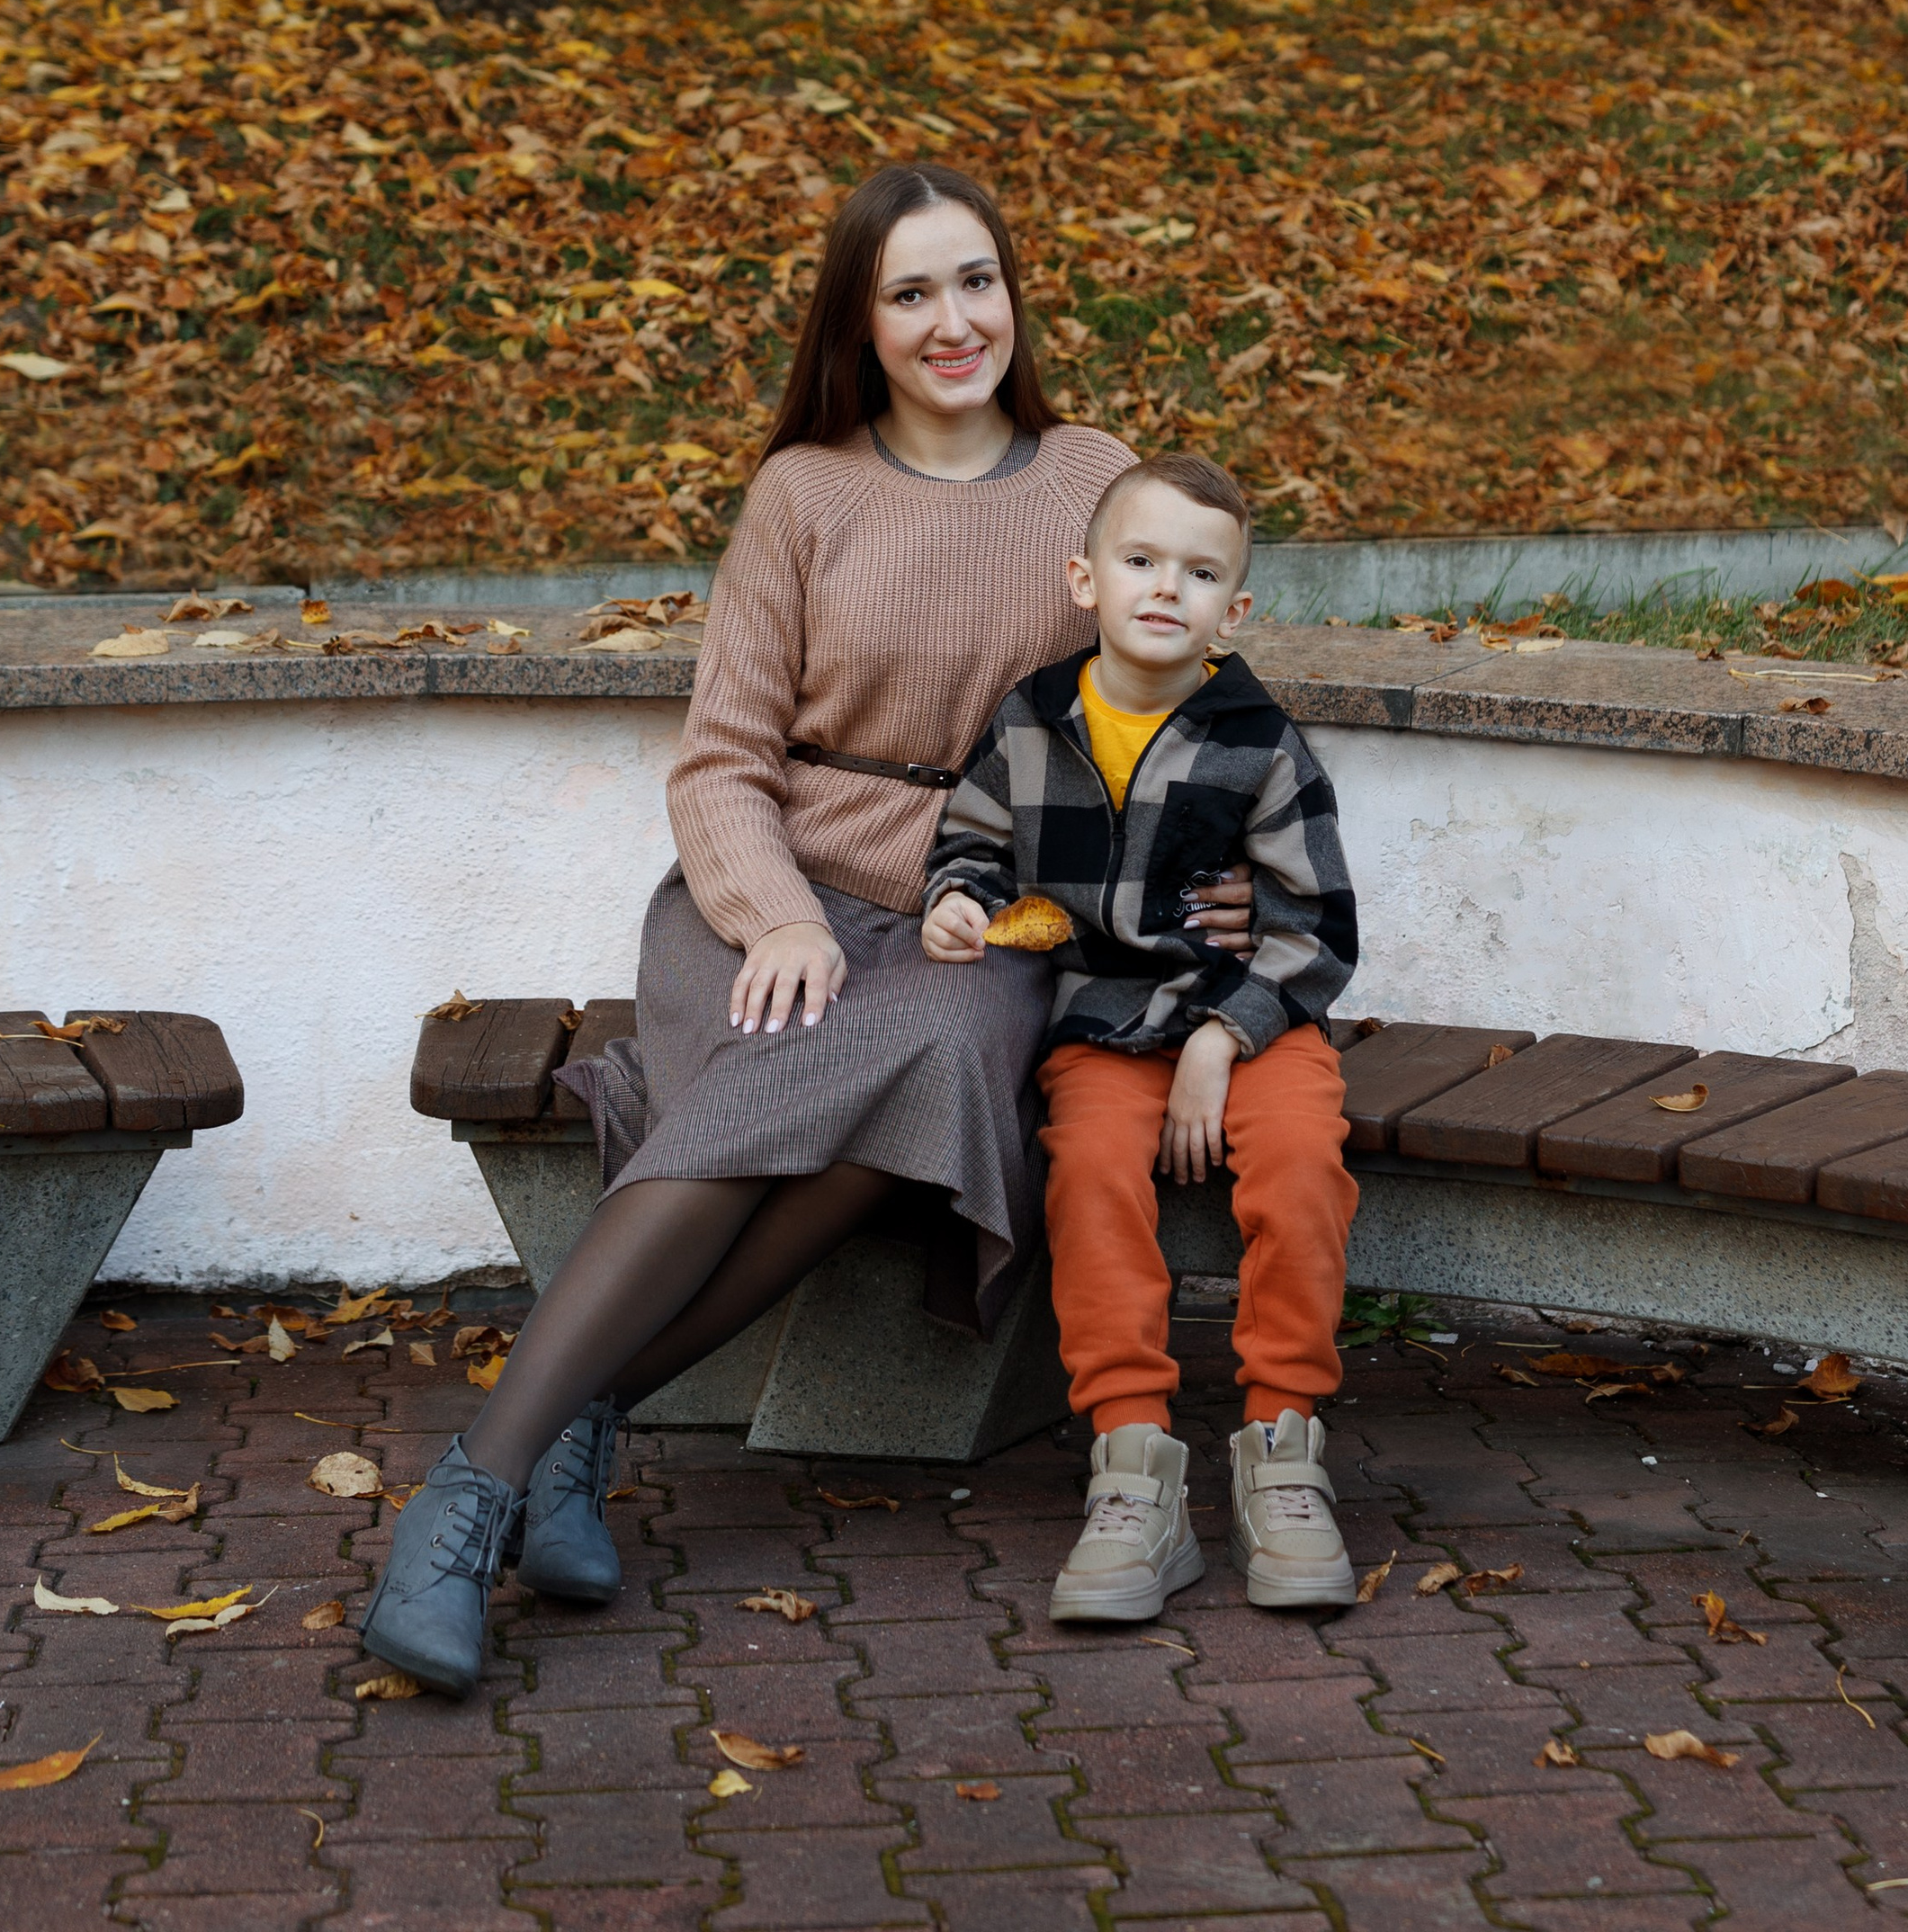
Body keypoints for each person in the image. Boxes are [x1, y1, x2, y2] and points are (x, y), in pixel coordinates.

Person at [360, 163, 1258, 1694]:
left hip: (981, 922)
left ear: (1014, 292)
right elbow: (723, 756)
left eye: (976, 280)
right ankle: (481, 1497)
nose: (953, 320)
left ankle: (539, 1441)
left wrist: (1210, 871)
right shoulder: (805, 492)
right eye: (911, 292)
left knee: (938, 1060)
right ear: (861, 317)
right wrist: (774, 914)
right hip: (769, 894)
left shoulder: (1092, 479)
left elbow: (1180, 696)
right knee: (773, 1062)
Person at [922, 448, 1363, 1622]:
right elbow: (969, 838)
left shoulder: (1256, 740)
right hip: (1104, 1020)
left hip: (1257, 1018)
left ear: (1237, 607)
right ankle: (1133, 1470)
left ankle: (1283, 1449)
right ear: (1086, 579)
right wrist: (959, 900)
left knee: (1306, 1165)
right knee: (1090, 1177)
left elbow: (1318, 924)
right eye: (1141, 561)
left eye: (1200, 571)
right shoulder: (1035, 720)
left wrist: (1225, 1035)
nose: (1167, 588)